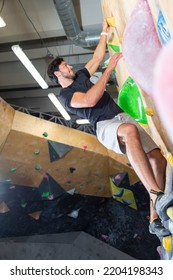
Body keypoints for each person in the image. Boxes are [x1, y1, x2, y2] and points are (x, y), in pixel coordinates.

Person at [47, 19, 173, 240]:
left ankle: (155, 219)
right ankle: (156, 193)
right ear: (58, 74)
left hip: (121, 117)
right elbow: (89, 99)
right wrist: (109, 70)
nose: (69, 67)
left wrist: (104, 33)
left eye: (68, 64)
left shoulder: (81, 77)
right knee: (130, 132)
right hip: (105, 126)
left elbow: (96, 57)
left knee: (157, 159)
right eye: (65, 66)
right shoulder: (65, 97)